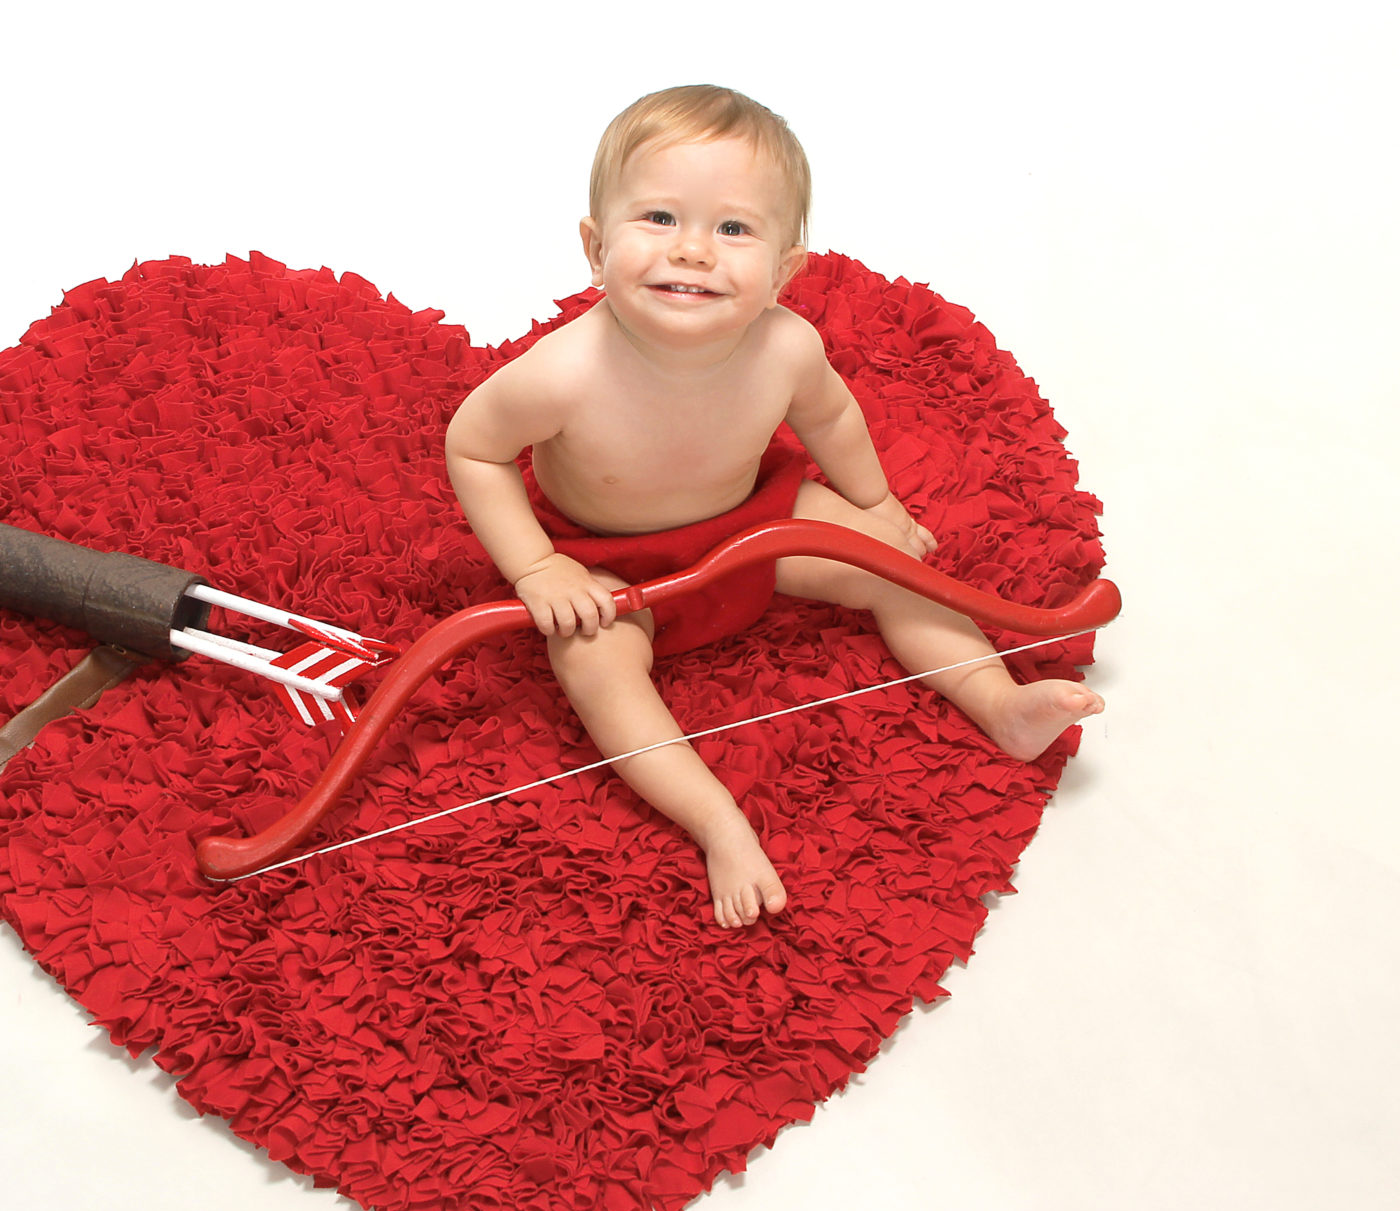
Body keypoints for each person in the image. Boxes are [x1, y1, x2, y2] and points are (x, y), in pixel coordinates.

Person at [444, 85, 1104, 929]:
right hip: (607, 558)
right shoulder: (563, 372)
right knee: (596, 667)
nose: (692, 252)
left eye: (732, 229)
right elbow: (474, 446)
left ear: (785, 270)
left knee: (888, 568)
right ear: (593, 244)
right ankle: (717, 819)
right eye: (657, 218)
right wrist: (539, 565)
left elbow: (830, 415)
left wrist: (874, 504)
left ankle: (997, 702)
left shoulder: (786, 345)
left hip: (754, 521)